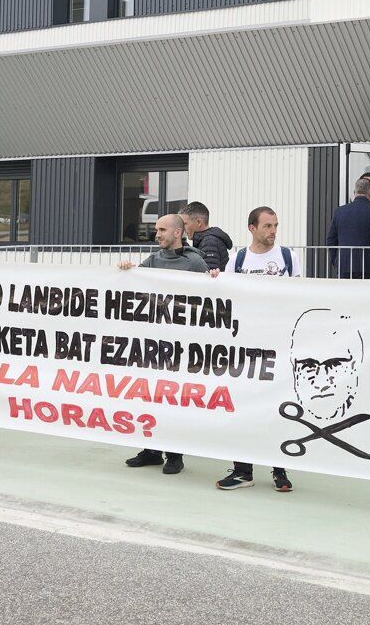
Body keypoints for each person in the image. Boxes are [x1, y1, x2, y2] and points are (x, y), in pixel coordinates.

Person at [117, 214, 207, 475]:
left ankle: (175, 454)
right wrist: (126, 269)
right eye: (157, 229)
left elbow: (211, 297)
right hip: (155, 343)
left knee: (173, 399)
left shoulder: (194, 262)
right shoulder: (154, 260)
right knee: (150, 397)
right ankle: (152, 450)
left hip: (181, 344)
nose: (157, 234)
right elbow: (135, 280)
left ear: (178, 232)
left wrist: (213, 277)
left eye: (162, 230)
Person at [216, 206, 295, 494]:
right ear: (252, 228)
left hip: (278, 345)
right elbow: (225, 296)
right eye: (267, 226)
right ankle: (242, 470)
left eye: (275, 225)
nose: (273, 231)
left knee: (277, 408)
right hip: (246, 345)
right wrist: (214, 279)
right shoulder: (237, 260)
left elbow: (299, 294)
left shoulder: (288, 257)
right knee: (244, 406)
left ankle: (279, 470)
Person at [325, 176, 370, 279]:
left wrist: (336, 260)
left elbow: (330, 240)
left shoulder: (340, 211)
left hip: (344, 264)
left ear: (354, 192)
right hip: (368, 265)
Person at [180, 201, 233, 272]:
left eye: (185, 224)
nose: (183, 228)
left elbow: (207, 275)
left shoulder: (209, 242)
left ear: (199, 222)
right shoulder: (206, 240)